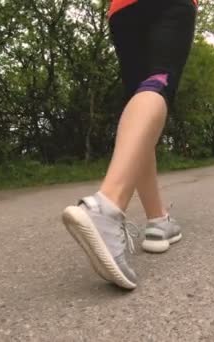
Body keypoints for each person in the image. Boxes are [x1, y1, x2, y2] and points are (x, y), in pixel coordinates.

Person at [62, 0, 198, 290]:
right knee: (159, 81)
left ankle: (158, 220)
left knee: (139, 97)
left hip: (122, 11)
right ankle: (107, 206)